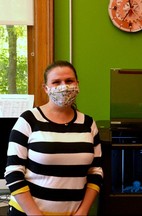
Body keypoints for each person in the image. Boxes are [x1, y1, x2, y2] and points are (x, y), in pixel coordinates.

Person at [5, 60, 104, 215]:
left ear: (77, 84)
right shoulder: (28, 120)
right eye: (56, 82)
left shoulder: (88, 124)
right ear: (46, 88)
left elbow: (95, 172)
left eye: (69, 81)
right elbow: (13, 172)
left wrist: (83, 211)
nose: (63, 86)